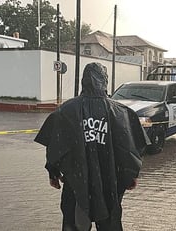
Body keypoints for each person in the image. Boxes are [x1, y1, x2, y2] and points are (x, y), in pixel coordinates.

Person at [34, 62, 149, 231]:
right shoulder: (121, 112)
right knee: (109, 224)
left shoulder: (66, 111)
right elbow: (131, 150)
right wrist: (132, 176)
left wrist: (53, 173)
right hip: (110, 184)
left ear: (83, 81)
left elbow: (55, 147)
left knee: (75, 224)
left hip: (76, 184)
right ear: (105, 81)